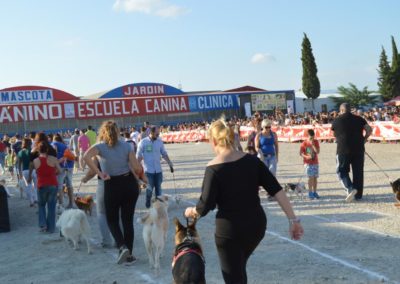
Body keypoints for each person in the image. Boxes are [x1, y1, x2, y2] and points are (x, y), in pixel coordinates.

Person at [184, 118, 303, 284]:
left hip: (230, 232)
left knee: (233, 276)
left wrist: (191, 211)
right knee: (238, 271)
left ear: (214, 141)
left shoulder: (213, 168)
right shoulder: (252, 161)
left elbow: (204, 207)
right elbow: (277, 190)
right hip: (256, 227)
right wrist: (293, 219)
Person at [84, 120, 143, 265]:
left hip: (112, 184)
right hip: (129, 183)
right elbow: (136, 166)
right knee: (127, 221)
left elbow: (85, 156)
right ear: (117, 131)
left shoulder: (100, 147)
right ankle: (129, 254)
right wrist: (141, 177)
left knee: (112, 219)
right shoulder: (127, 145)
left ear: (102, 132)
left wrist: (99, 172)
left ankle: (122, 246)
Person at [331, 103, 372, 202]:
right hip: (359, 149)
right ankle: (358, 195)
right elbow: (369, 129)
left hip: (343, 149)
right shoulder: (359, 119)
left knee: (341, 170)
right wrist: (364, 139)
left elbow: (334, 134)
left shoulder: (337, 120)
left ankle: (350, 189)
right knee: (358, 172)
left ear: (341, 110)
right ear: (350, 110)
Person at [136, 126, 174, 208]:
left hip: (158, 171)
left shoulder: (159, 142)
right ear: (151, 133)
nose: (158, 135)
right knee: (149, 191)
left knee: (159, 191)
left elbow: (164, 153)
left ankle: (159, 206)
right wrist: (136, 168)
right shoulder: (143, 142)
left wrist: (169, 163)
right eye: (157, 133)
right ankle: (148, 202)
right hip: (148, 171)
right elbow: (138, 156)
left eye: (159, 133)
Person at [81, 156, 113, 247]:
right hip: (120, 182)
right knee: (118, 212)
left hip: (104, 184)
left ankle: (107, 241)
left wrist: (85, 178)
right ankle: (121, 240)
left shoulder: (99, 149)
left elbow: (92, 171)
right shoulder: (123, 146)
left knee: (102, 213)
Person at [33, 141, 61, 233]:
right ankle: (51, 228)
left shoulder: (35, 161)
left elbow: (37, 172)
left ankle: (43, 225)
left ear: (38, 150)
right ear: (47, 149)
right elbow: (60, 171)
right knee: (51, 207)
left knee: (41, 205)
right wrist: (54, 172)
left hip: (41, 185)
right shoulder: (53, 159)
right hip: (53, 184)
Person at [52, 134, 75, 209]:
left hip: (61, 167)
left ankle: (61, 205)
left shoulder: (54, 143)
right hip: (70, 166)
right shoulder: (64, 145)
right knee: (69, 185)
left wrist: (55, 164)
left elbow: (54, 154)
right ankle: (71, 203)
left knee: (60, 186)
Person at [300, 129, 320, 199]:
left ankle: (315, 192)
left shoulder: (316, 142)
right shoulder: (304, 143)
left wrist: (313, 145)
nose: (312, 139)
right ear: (307, 136)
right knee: (310, 178)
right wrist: (306, 157)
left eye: (313, 137)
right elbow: (301, 153)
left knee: (315, 178)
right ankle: (310, 192)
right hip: (308, 163)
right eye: (311, 138)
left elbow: (317, 152)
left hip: (315, 163)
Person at [18, 138, 38, 206]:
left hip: (25, 170)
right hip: (34, 170)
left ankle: (31, 202)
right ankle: (36, 198)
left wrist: (20, 173)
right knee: (36, 185)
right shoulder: (32, 151)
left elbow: (19, 164)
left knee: (28, 186)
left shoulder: (20, 152)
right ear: (29, 144)